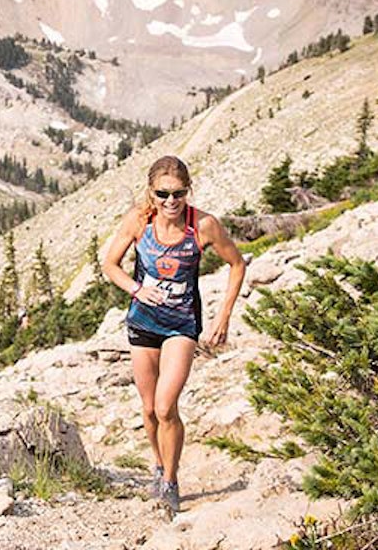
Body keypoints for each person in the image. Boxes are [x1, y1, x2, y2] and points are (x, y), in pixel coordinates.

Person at [101, 155, 245, 518]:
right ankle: (157, 461)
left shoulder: (204, 226)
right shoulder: (138, 220)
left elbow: (237, 264)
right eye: (163, 194)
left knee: (166, 406)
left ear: (188, 191)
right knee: (149, 410)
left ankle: (170, 479)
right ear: (151, 192)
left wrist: (223, 315)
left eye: (178, 193)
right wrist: (136, 289)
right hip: (142, 323)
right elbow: (109, 265)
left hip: (182, 325)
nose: (170, 201)